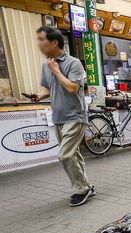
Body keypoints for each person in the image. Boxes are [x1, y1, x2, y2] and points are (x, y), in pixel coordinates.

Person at [30, 26, 94, 207]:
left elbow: (73, 88)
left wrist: (57, 70)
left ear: (54, 42)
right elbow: (49, 88)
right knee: (73, 154)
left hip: (75, 115)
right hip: (58, 116)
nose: (39, 44)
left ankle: (81, 189)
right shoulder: (46, 64)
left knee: (65, 155)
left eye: (42, 40)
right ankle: (87, 186)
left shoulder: (73, 63)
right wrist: (40, 95)